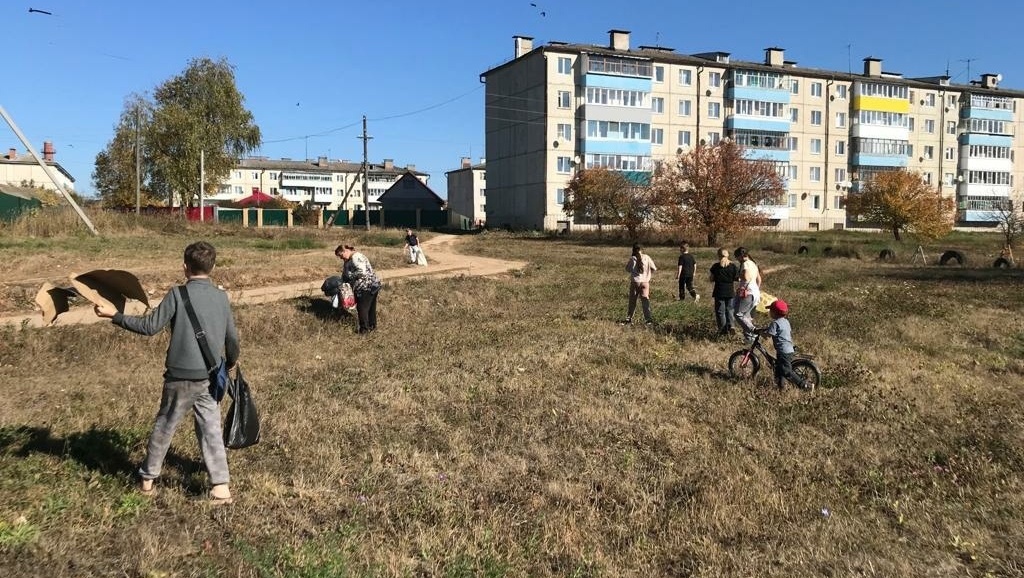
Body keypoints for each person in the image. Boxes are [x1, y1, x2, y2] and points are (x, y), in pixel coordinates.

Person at [94, 241, 238, 504]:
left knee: (165, 427)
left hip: (179, 377)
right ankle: (221, 487)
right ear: (214, 267)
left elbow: (149, 327)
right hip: (210, 376)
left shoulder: (176, 295)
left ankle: (147, 480)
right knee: (211, 430)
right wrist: (229, 364)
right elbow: (232, 340)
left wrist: (114, 315)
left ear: (185, 268)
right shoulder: (221, 297)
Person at [761, 299, 807, 389]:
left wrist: (761, 333)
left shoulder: (775, 323)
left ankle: (803, 385)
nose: (769, 312)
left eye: (770, 310)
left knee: (786, 370)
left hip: (783, 351)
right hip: (789, 348)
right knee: (779, 368)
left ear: (774, 313)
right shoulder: (786, 321)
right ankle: (781, 386)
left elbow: (768, 335)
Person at [335, 244, 382, 333]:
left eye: (341, 255)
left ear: (345, 251)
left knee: (362, 309)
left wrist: (350, 276)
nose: (341, 258)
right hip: (371, 286)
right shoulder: (349, 259)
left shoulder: (356, 257)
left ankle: (364, 330)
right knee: (370, 308)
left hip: (365, 287)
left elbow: (362, 271)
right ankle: (372, 327)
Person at [733, 246, 762, 343]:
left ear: (740, 256)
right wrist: (756, 290)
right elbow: (759, 280)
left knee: (738, 314)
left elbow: (746, 277)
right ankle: (750, 339)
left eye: (737, 258)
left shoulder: (745, 264)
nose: (737, 260)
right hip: (755, 292)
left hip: (748, 293)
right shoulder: (754, 264)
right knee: (747, 316)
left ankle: (753, 330)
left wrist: (737, 275)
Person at [623, 244, 657, 325]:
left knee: (632, 302)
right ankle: (648, 319)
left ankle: (629, 318)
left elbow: (627, 269)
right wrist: (648, 273)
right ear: (642, 249)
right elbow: (654, 268)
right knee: (645, 301)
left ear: (633, 250)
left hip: (635, 282)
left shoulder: (633, 259)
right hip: (645, 282)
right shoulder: (647, 257)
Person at [709, 247, 739, 336]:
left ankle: (723, 331)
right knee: (730, 310)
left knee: (720, 312)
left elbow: (711, 279)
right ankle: (731, 326)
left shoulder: (715, 266)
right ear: (728, 255)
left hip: (719, 291)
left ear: (718, 255)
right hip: (730, 291)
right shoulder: (733, 266)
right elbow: (737, 278)